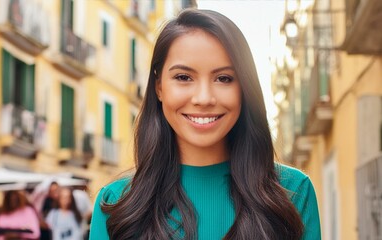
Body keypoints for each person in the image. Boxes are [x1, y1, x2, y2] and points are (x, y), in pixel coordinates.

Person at [89, 8, 321, 240]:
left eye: (224, 79)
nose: (204, 98)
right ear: (159, 87)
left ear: (244, 89)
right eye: (183, 77)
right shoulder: (116, 206)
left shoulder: (293, 193)